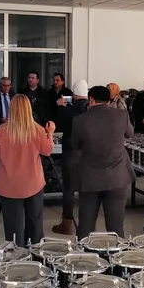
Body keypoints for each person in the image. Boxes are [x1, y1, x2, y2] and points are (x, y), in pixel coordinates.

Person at [0, 94, 56, 246]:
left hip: (8, 185)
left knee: (13, 227)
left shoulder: (1, 131)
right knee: (35, 222)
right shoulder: (38, 130)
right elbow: (47, 151)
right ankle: (35, 253)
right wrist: (50, 133)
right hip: (33, 183)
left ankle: (16, 255)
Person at [72, 85, 135, 239]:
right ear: (109, 100)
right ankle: (117, 253)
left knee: (86, 226)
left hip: (90, 178)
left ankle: (85, 253)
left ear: (91, 99)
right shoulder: (122, 115)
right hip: (117, 177)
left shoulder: (79, 120)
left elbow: (75, 145)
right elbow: (129, 134)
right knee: (116, 227)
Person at [52, 80, 89, 235]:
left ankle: (67, 223)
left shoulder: (69, 110)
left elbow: (58, 124)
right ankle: (86, 224)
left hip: (71, 153)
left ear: (74, 95)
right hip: (88, 153)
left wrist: (60, 106)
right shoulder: (91, 109)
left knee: (69, 189)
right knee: (86, 189)